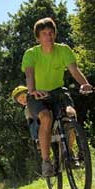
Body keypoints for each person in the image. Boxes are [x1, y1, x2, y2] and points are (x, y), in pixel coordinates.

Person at [21, 17, 93, 177]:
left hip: (58, 92)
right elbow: (29, 73)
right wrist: (32, 90)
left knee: (71, 113)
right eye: (44, 34)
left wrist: (84, 84)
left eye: (51, 33)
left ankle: (70, 154)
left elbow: (74, 70)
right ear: (38, 37)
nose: (49, 36)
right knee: (46, 117)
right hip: (37, 95)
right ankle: (46, 161)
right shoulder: (31, 54)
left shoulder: (64, 50)